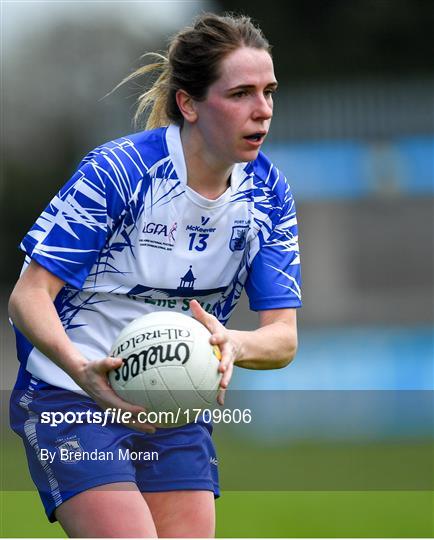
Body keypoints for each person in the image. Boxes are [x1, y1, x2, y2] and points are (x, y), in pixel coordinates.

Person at [8, 12, 301, 538]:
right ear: (188, 103)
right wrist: (83, 372)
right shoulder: (117, 173)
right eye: (240, 94)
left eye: (269, 92)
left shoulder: (268, 195)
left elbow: (282, 339)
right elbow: (28, 298)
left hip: (173, 402)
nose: (262, 111)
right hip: (70, 394)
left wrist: (232, 343)